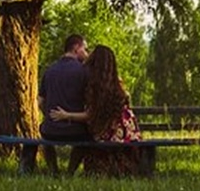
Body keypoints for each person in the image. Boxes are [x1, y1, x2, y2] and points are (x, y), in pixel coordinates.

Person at [47, 44, 142, 176]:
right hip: (127, 132)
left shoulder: (95, 85)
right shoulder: (116, 83)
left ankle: (64, 173)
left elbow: (91, 114)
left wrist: (67, 115)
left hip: (108, 133)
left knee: (86, 136)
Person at [26, 33, 91, 173]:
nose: (86, 53)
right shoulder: (84, 71)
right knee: (89, 135)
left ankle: (53, 170)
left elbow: (40, 101)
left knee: (43, 132)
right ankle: (70, 171)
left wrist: (49, 115)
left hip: (50, 130)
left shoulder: (49, 71)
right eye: (85, 49)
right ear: (76, 48)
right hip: (76, 130)